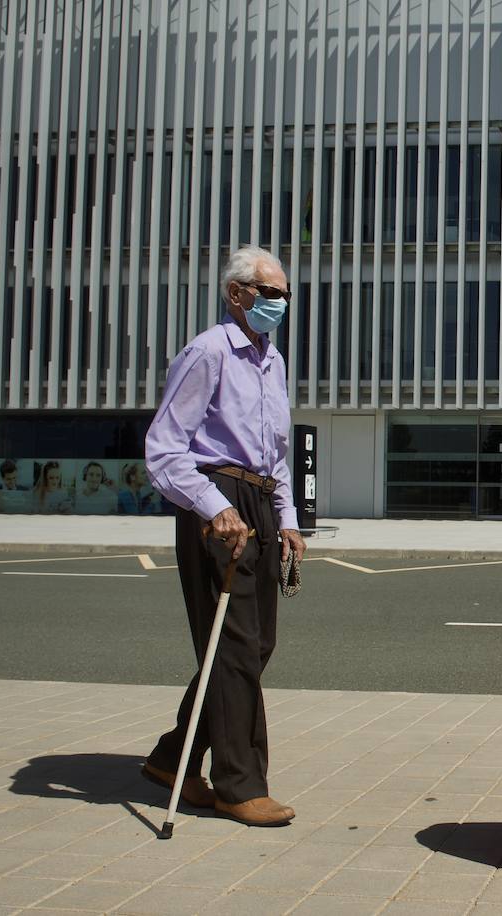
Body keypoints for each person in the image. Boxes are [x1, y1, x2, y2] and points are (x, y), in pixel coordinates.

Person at [142, 244, 306, 828]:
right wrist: (214, 507)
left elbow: (277, 452)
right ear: (237, 294)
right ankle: (240, 784)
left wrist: (286, 519)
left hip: (259, 500)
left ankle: (171, 758)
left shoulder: (273, 360)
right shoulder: (208, 352)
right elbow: (164, 450)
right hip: (218, 502)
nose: (280, 303)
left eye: (285, 294)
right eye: (270, 293)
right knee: (234, 646)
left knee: (256, 646)